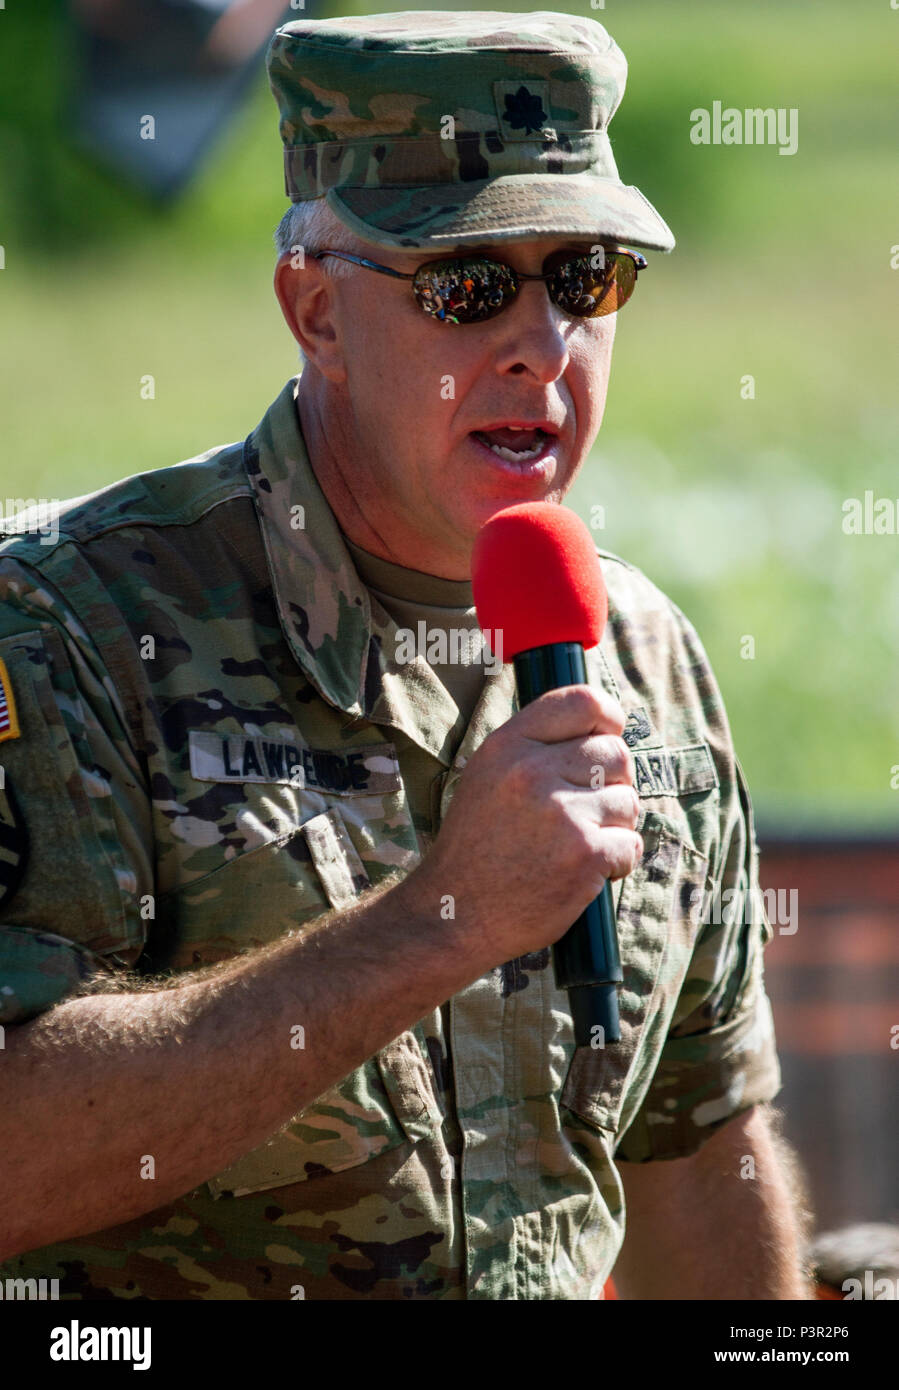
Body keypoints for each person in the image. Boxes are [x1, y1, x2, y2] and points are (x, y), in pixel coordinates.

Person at [0, 11, 810, 1300]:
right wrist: (441, 922)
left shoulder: (643, 656)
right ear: (315, 309)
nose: (541, 345)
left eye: (585, 277)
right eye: (468, 284)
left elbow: (699, 1147)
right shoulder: (71, 627)